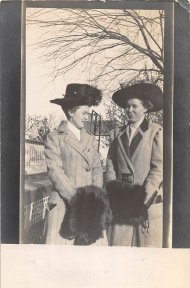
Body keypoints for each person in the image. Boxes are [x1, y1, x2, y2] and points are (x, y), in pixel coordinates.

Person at [44, 83, 107, 245]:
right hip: (64, 205)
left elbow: (97, 168)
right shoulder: (55, 137)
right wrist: (78, 201)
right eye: (84, 113)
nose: (87, 117)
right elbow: (55, 171)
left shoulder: (90, 138)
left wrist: (94, 196)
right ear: (72, 112)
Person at [105, 82, 163, 247]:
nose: (129, 110)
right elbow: (110, 164)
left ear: (145, 107)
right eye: (127, 107)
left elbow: (158, 169)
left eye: (134, 106)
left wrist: (141, 200)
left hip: (144, 203)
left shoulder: (155, 132)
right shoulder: (116, 133)